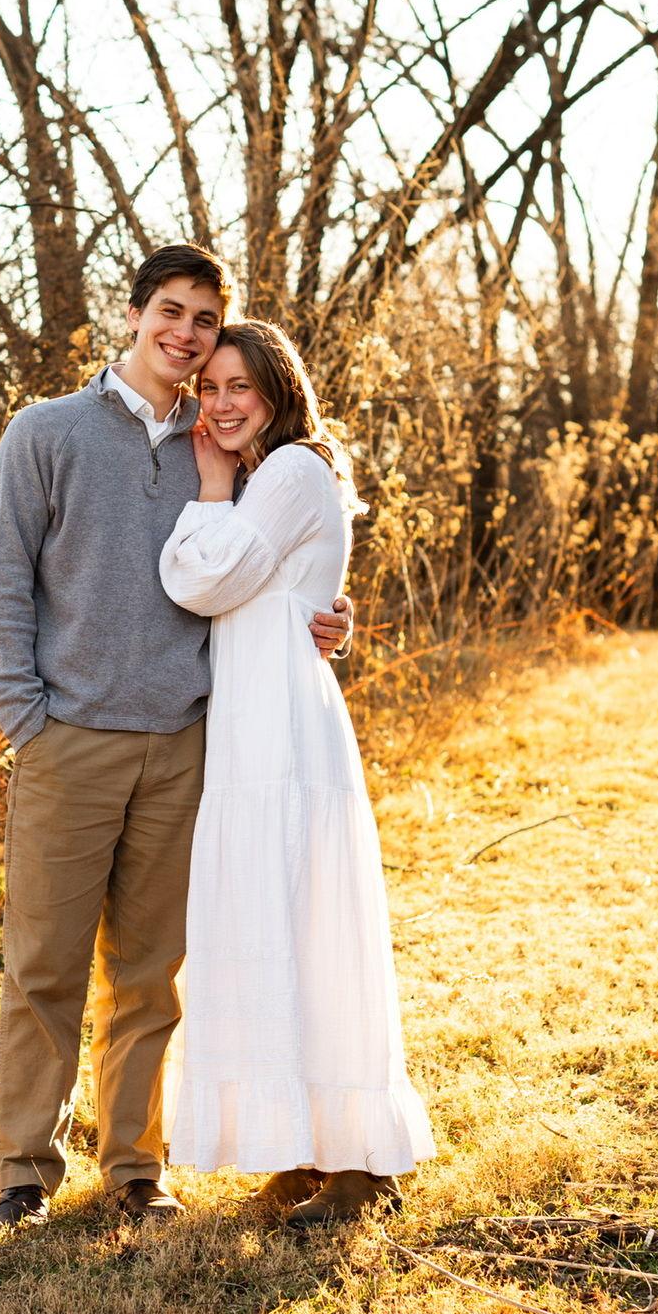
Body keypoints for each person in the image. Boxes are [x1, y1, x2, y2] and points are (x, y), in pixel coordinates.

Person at [0, 246, 353, 1228]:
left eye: (204, 319)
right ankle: (23, 1168)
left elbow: (284, 553)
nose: (185, 334)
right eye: (170, 311)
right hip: (68, 738)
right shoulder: (46, 431)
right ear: (135, 313)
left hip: (187, 742)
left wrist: (328, 614)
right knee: (46, 966)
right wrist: (26, 720)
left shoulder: (220, 437)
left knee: (149, 976)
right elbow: (0, 580)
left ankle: (135, 1168)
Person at [160, 319, 435, 1226]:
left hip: (283, 734)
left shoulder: (287, 471)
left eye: (239, 385)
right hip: (252, 731)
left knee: (311, 929)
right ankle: (304, 1146)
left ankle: (361, 1166)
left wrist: (208, 489)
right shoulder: (266, 479)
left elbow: (201, 581)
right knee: (270, 924)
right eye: (209, 388)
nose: (220, 403)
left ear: (279, 389)